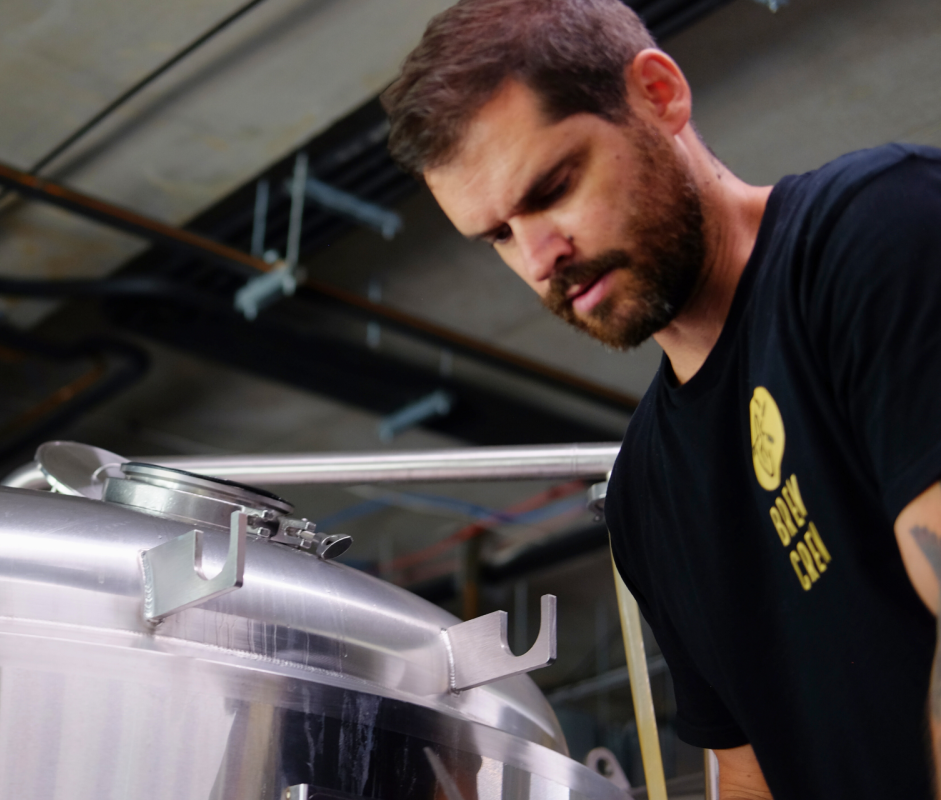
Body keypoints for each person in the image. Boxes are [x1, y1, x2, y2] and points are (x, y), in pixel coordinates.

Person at [380, 0, 941, 797]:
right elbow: (749, 776)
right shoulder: (647, 494)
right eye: (499, 235)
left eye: (552, 187)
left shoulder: (876, 233)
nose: (540, 260)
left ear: (658, 93)